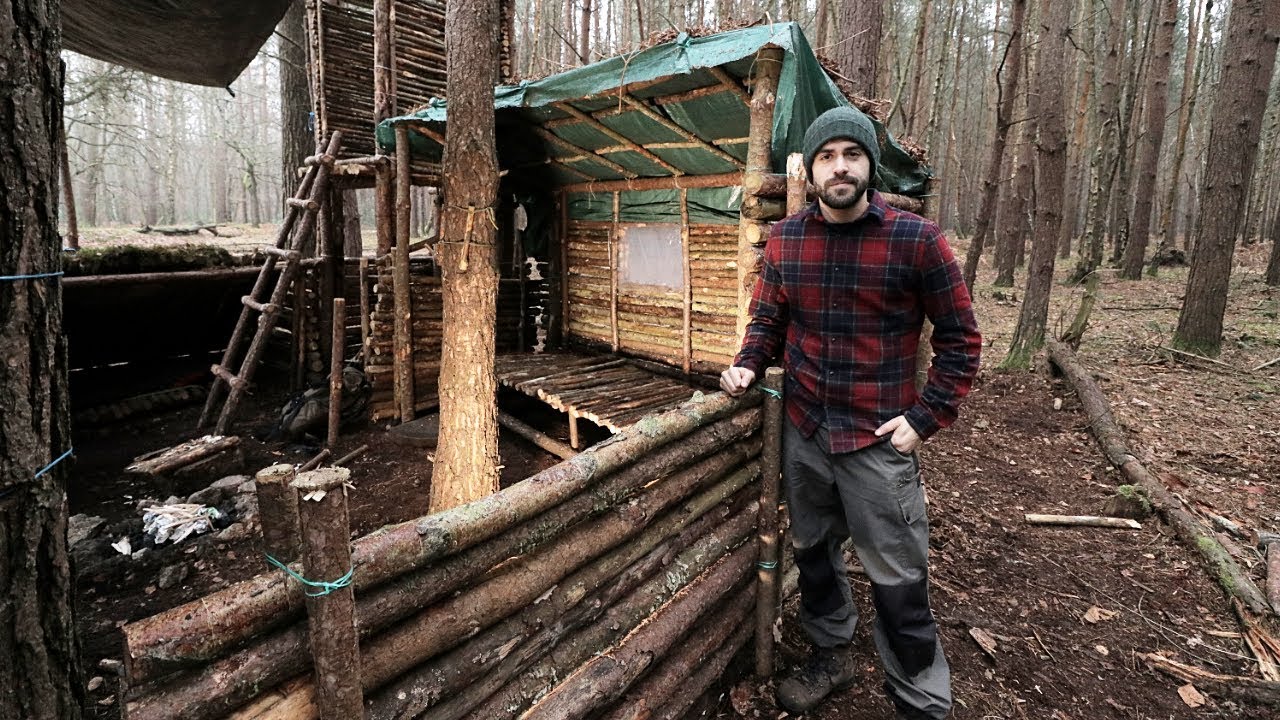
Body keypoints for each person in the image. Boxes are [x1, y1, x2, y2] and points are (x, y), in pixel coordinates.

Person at [721, 106, 981, 719]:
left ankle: (920, 697)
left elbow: (961, 341)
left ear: (870, 165)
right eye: (827, 157)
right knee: (814, 554)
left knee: (897, 577)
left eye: (852, 154)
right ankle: (831, 656)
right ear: (811, 172)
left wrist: (924, 419)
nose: (840, 167)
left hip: (878, 439)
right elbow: (769, 320)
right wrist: (746, 364)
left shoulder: (917, 241)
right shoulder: (787, 240)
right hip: (806, 432)